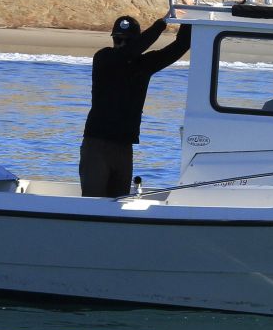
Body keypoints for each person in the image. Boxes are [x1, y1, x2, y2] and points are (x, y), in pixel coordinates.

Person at [80, 14, 191, 197]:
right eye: (118, 39)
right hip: (96, 145)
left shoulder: (144, 65)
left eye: (127, 40)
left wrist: (188, 18)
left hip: (124, 148)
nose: (121, 44)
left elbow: (181, 46)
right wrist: (162, 23)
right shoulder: (103, 58)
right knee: (92, 203)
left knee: (119, 203)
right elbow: (130, 51)